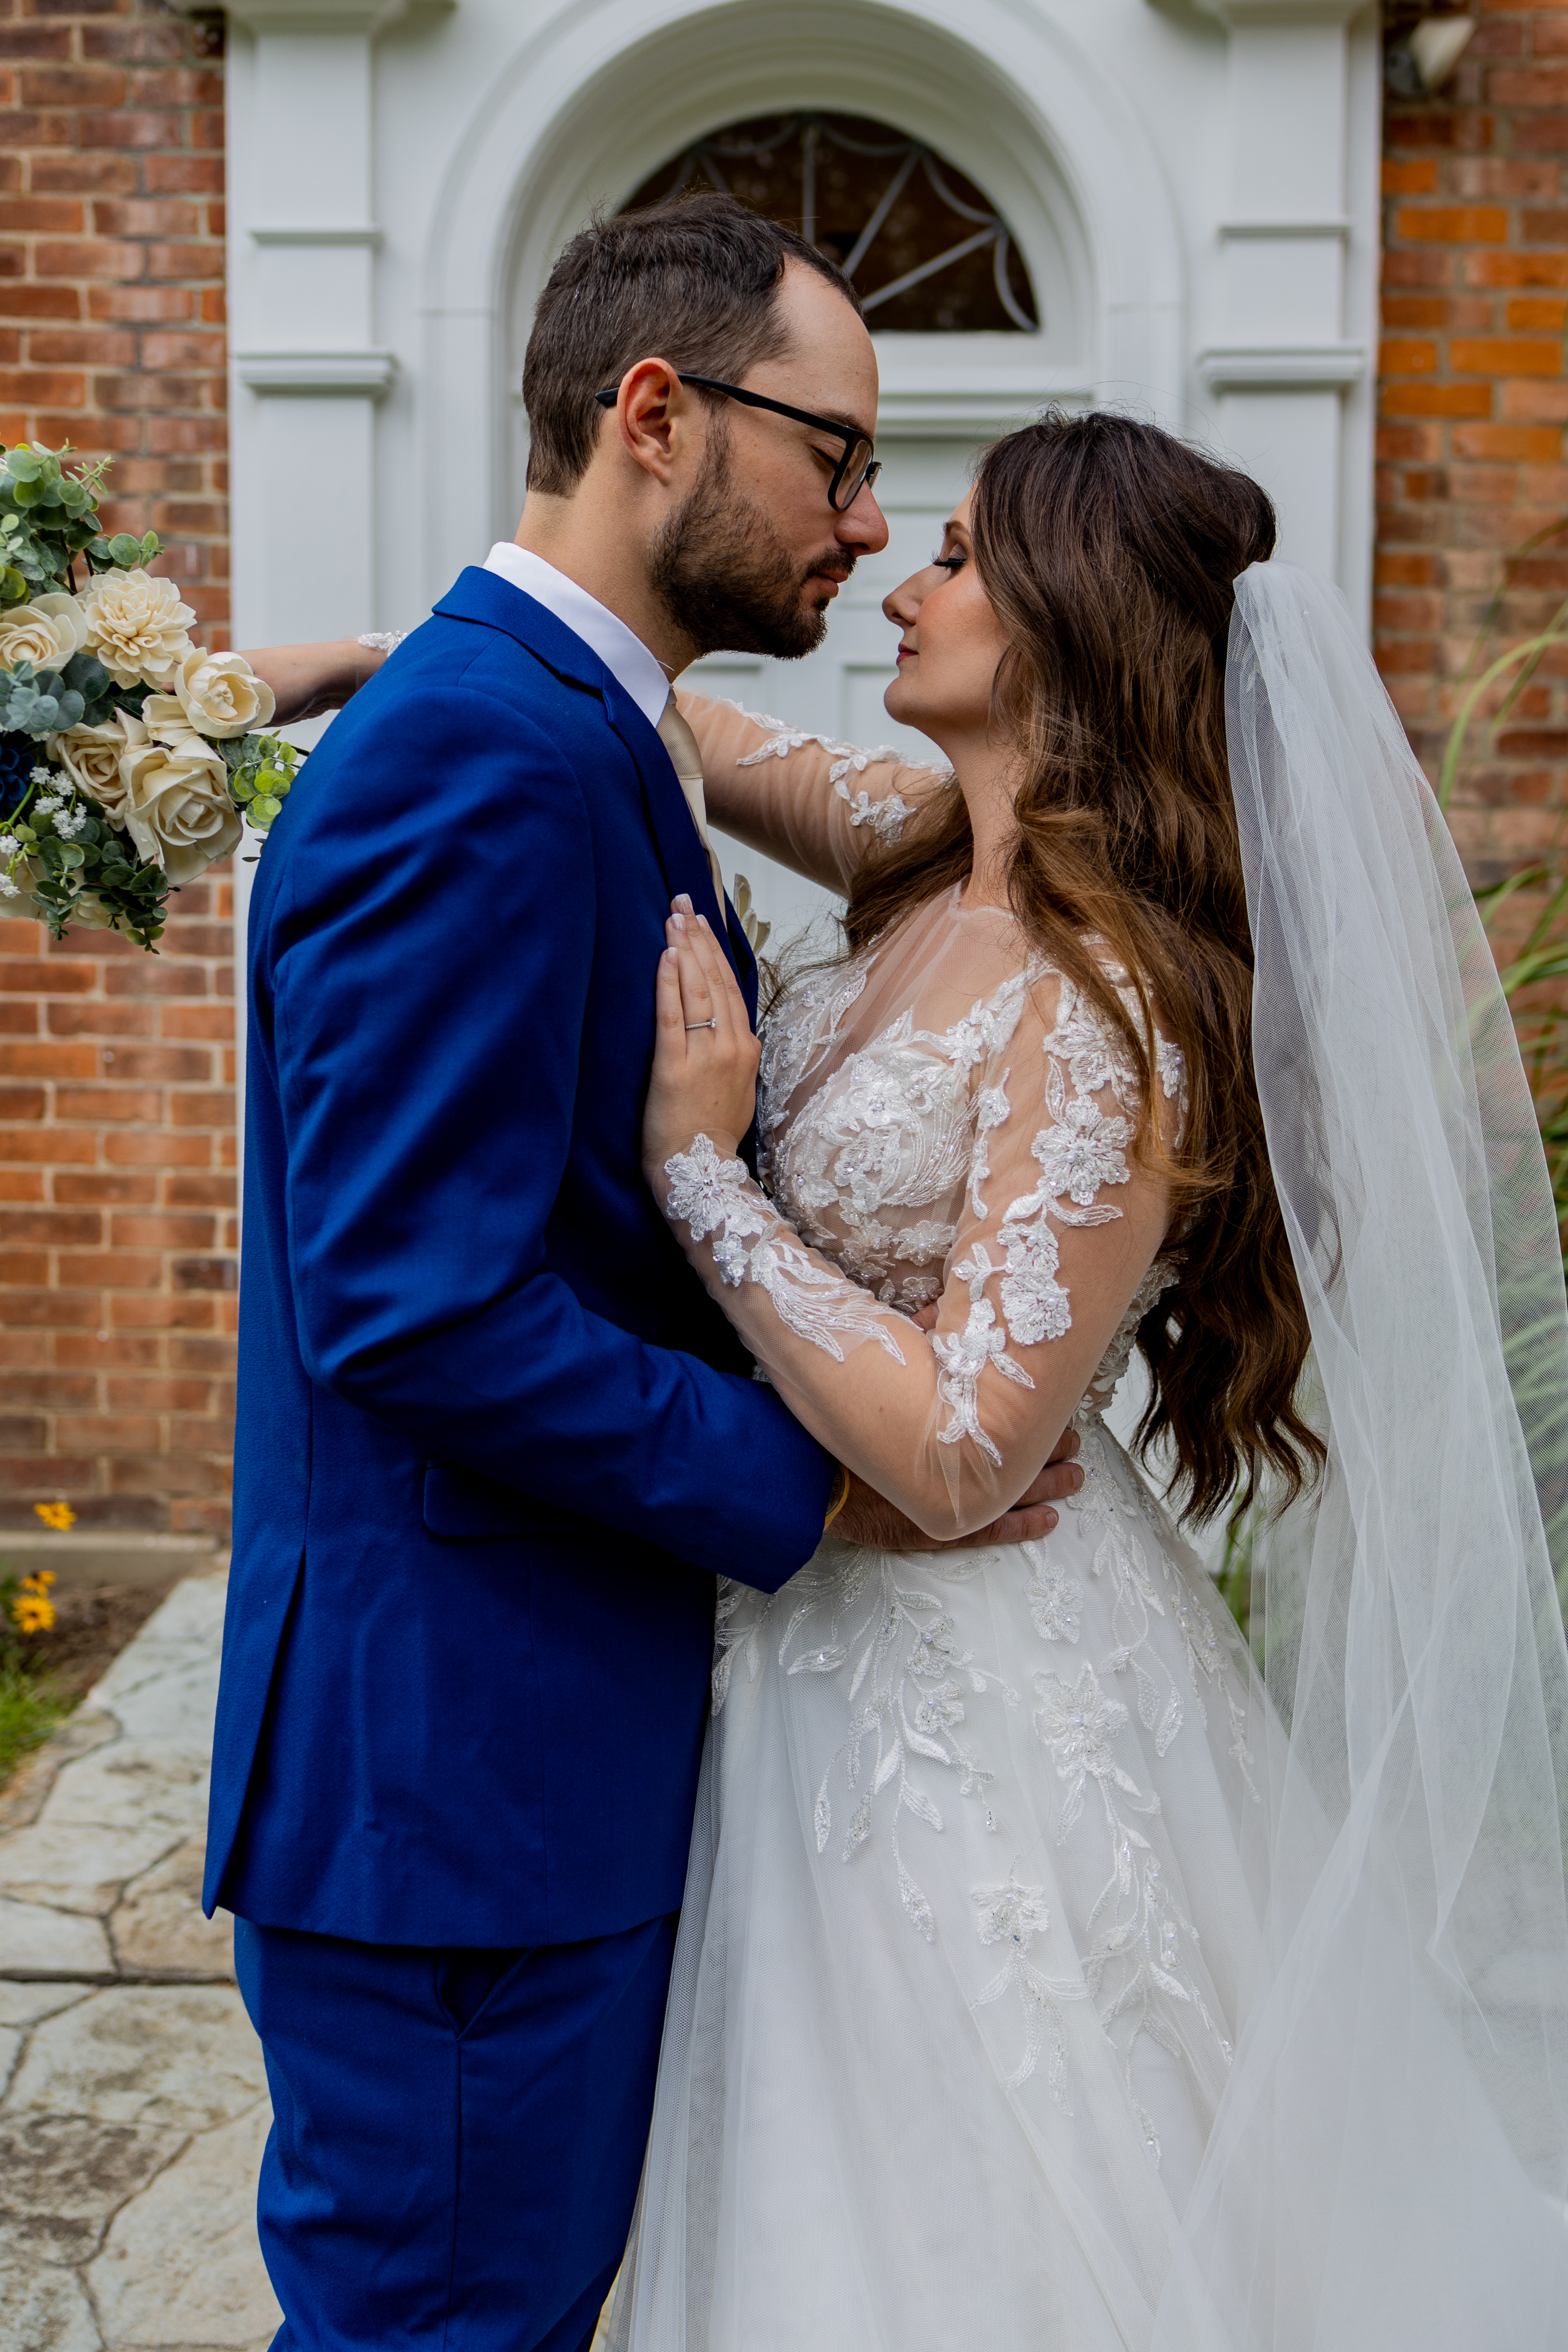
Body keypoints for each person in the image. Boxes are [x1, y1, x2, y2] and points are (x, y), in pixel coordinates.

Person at [210, 192, 1079, 2352]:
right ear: (658, 414)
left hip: (520, 1760)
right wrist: (822, 1485)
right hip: (454, 1802)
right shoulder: (488, 752)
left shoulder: (551, 720)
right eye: (839, 456)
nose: (871, 526)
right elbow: (418, 1298)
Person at [605, 419, 1568, 2344]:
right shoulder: (914, 858)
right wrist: (305, 679)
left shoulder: (1099, 995)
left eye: (953, 554)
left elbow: (968, 1450)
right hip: (809, 1653)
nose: (902, 579)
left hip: (982, 1690)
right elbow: (639, 707)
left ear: (1057, 621)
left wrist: (699, 1173)